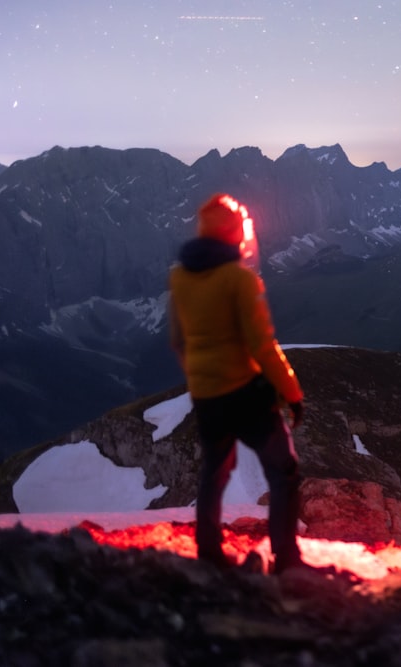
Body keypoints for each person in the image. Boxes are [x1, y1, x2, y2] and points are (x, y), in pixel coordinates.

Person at [169, 193, 307, 574]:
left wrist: (200, 378)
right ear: (234, 233)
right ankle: (286, 558)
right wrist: (292, 393)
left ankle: (209, 552)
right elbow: (262, 346)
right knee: (283, 470)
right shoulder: (239, 278)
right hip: (245, 393)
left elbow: (177, 339)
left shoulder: (179, 277)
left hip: (206, 395)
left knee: (214, 471)